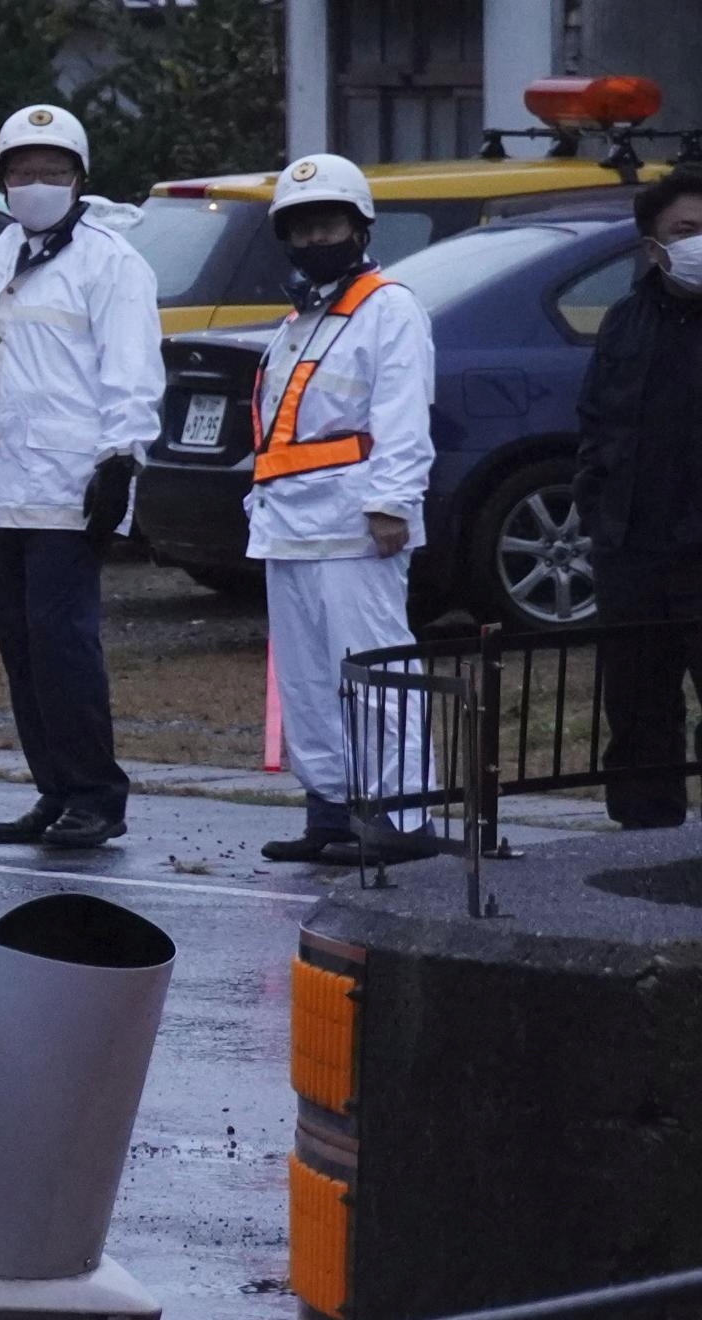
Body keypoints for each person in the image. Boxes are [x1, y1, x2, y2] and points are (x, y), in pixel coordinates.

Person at [0, 102, 165, 853]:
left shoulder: (111, 263)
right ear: (3, 179)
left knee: (63, 644)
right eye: (22, 171)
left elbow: (132, 372)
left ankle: (95, 793)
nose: (36, 183)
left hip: (69, 487)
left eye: (52, 171)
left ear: (79, 178)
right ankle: (55, 789)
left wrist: (122, 458)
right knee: (22, 649)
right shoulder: (0, 257)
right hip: (3, 484)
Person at [240, 156, 440, 867]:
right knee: (306, 683)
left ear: (360, 229)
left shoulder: (389, 308)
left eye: (328, 224)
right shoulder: (299, 321)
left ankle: (403, 815)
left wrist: (392, 504)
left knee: (377, 675)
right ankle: (331, 807)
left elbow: (403, 417)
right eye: (301, 227)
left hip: (357, 529)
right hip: (289, 528)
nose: (315, 238)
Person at [576, 163, 702, 829]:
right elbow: (595, 425)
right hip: (632, 551)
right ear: (653, 244)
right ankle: (643, 842)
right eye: (686, 230)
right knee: (637, 708)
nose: (698, 241)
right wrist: (598, 515)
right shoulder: (625, 322)